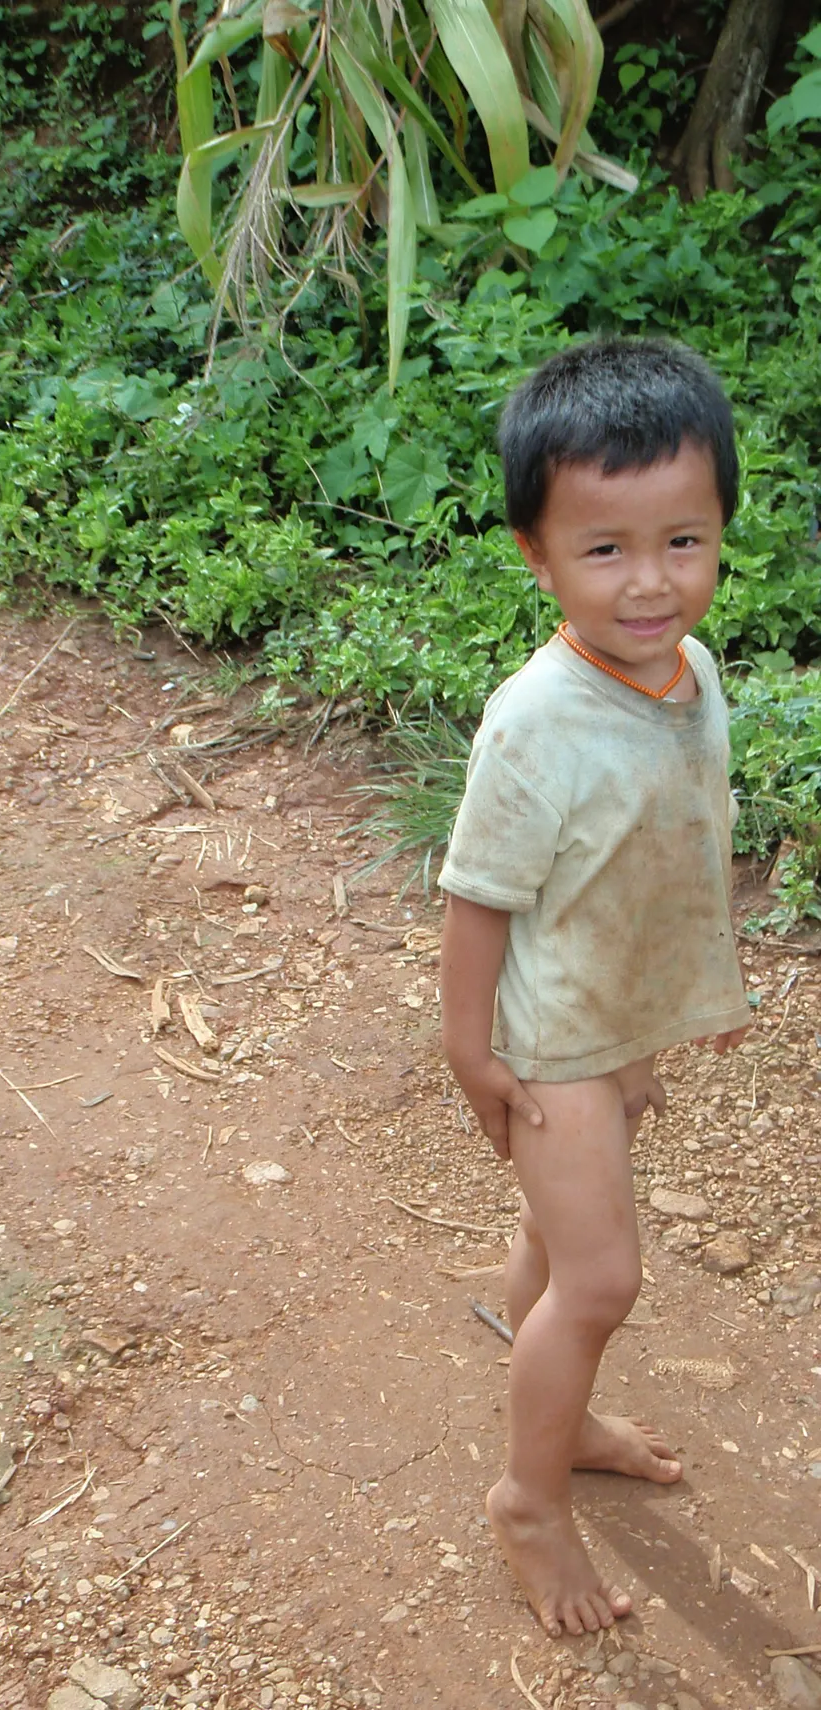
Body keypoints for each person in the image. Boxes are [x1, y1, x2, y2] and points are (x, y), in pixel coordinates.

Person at [438, 337, 751, 1639]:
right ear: (537, 555)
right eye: (605, 549)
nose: (650, 581)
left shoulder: (695, 672)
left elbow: (681, 832)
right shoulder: (535, 720)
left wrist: (667, 1005)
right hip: (550, 1037)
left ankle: (563, 1423)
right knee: (603, 1278)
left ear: (723, 528)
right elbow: (477, 899)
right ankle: (527, 1494)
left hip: (614, 1017)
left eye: (683, 539)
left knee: (552, 1250)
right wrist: (473, 1054)